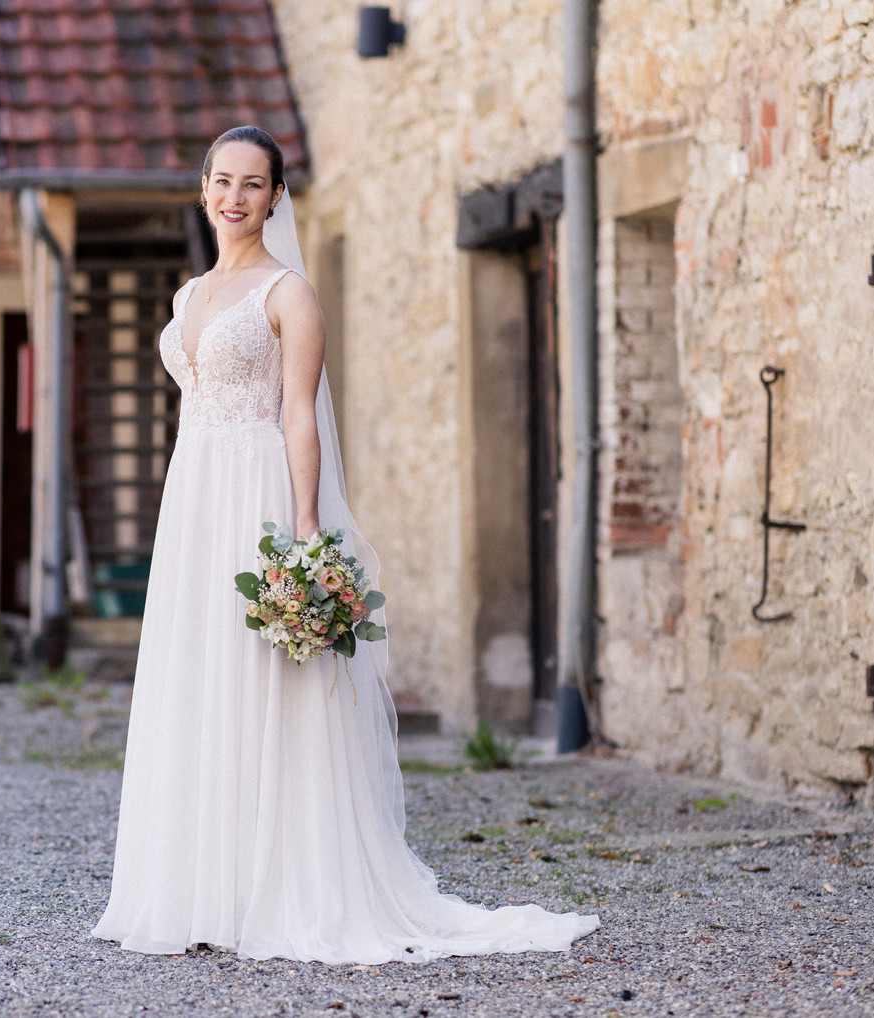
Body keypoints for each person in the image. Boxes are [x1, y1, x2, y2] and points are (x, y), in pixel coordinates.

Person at [91, 126, 599, 964]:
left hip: (257, 489)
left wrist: (303, 526)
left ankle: (279, 885)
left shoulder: (288, 294)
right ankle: (193, 885)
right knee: (199, 672)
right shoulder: (187, 297)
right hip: (195, 496)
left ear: (278, 196)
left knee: (265, 681)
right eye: (222, 180)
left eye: (254, 184)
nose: (235, 197)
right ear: (204, 186)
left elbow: (298, 414)